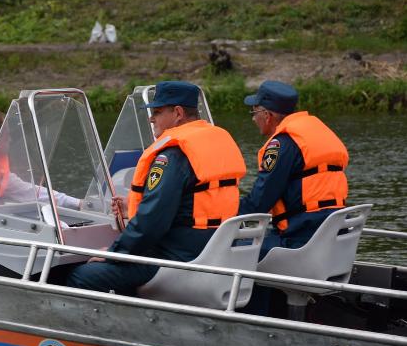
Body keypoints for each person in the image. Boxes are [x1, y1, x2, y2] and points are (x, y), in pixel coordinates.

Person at [66, 81, 246, 295]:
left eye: (158, 112)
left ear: (178, 113)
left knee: (81, 275)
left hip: (175, 257)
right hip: (215, 249)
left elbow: (151, 223)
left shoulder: (171, 156)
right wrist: (132, 205)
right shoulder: (216, 141)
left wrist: (114, 252)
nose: (151, 118)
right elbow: (193, 202)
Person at [239, 80, 349, 257]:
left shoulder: (281, 144)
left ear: (267, 115)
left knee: (234, 248)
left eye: (254, 112)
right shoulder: (319, 133)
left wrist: (224, 210)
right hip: (332, 235)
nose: (253, 118)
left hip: (299, 240)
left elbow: (260, 202)